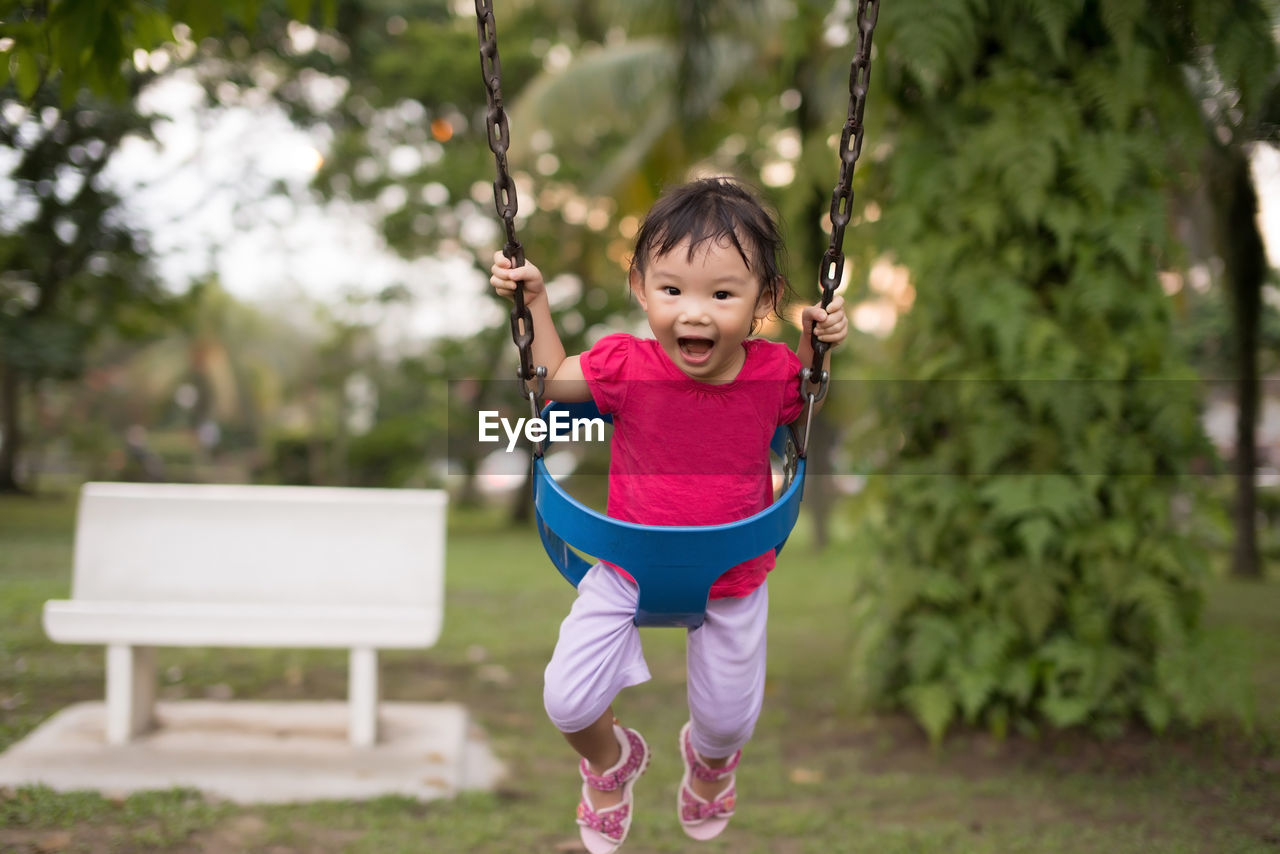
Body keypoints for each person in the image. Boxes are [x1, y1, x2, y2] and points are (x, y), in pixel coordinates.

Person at [489, 177, 848, 853]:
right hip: (627, 568)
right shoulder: (626, 364)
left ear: (765, 300)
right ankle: (609, 762)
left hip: (732, 580)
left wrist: (818, 348)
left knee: (726, 725)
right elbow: (551, 378)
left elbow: (805, 412)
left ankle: (710, 767)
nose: (695, 313)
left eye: (722, 293)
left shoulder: (773, 372)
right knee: (566, 701)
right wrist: (532, 301)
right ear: (641, 286)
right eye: (673, 289)